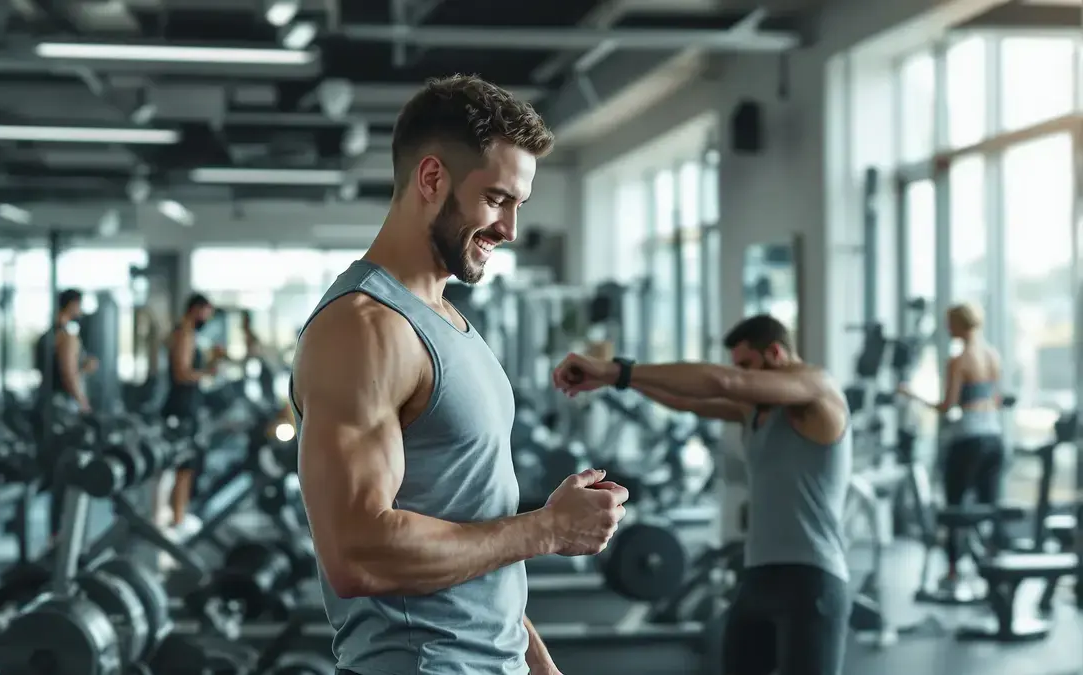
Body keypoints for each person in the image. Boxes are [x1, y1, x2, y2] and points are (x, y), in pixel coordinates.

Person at [290, 74, 628, 675]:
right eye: (497, 199)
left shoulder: (447, 321)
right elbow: (357, 554)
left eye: (518, 205)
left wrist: (536, 663)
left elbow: (473, 529)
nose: (510, 229)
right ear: (431, 179)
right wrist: (548, 529)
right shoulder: (365, 329)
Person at [552, 314, 852, 675]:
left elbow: (724, 381)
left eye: (747, 365)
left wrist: (616, 369)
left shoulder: (818, 388)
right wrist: (615, 381)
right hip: (758, 576)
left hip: (812, 580)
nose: (742, 375)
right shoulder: (756, 409)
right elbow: (687, 400)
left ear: (775, 353)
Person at [897, 302, 1004, 586]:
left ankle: (954, 569)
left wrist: (911, 394)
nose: (947, 329)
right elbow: (996, 399)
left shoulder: (958, 360)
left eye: (949, 324)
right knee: (989, 506)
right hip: (994, 437)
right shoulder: (993, 355)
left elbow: (947, 406)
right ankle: (994, 565)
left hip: (968, 439)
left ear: (958, 325)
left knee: (954, 507)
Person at [162, 292, 220, 537]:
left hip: (188, 405)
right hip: (182, 406)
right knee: (184, 466)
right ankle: (177, 519)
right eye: (206, 312)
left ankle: (179, 516)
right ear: (196, 309)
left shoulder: (187, 334)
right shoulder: (184, 334)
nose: (207, 318)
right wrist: (207, 372)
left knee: (188, 466)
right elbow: (181, 373)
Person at [36, 288, 98, 413]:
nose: (81, 311)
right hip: (63, 404)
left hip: (46, 400)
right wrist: (82, 401)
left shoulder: (46, 337)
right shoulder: (66, 338)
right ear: (72, 305)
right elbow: (68, 373)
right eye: (79, 306)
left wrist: (81, 366)